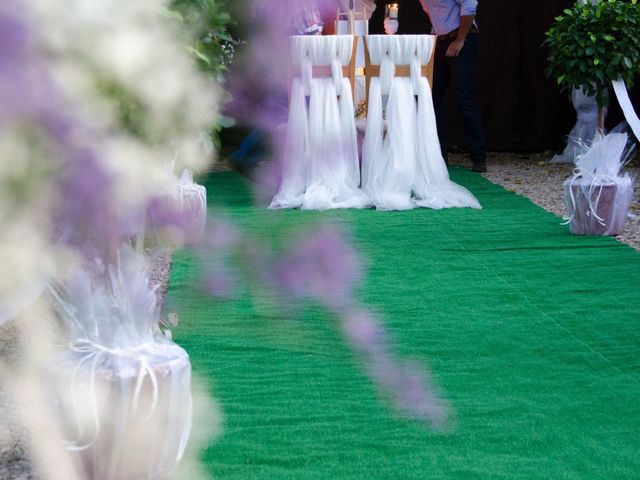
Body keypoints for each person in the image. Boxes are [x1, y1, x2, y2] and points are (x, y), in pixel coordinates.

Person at [385, 0, 486, 172]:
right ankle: (438, 156)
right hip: (439, 40)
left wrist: (460, 40)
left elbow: (469, 5)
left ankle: (478, 157)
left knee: (464, 98)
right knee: (430, 97)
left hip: (462, 38)